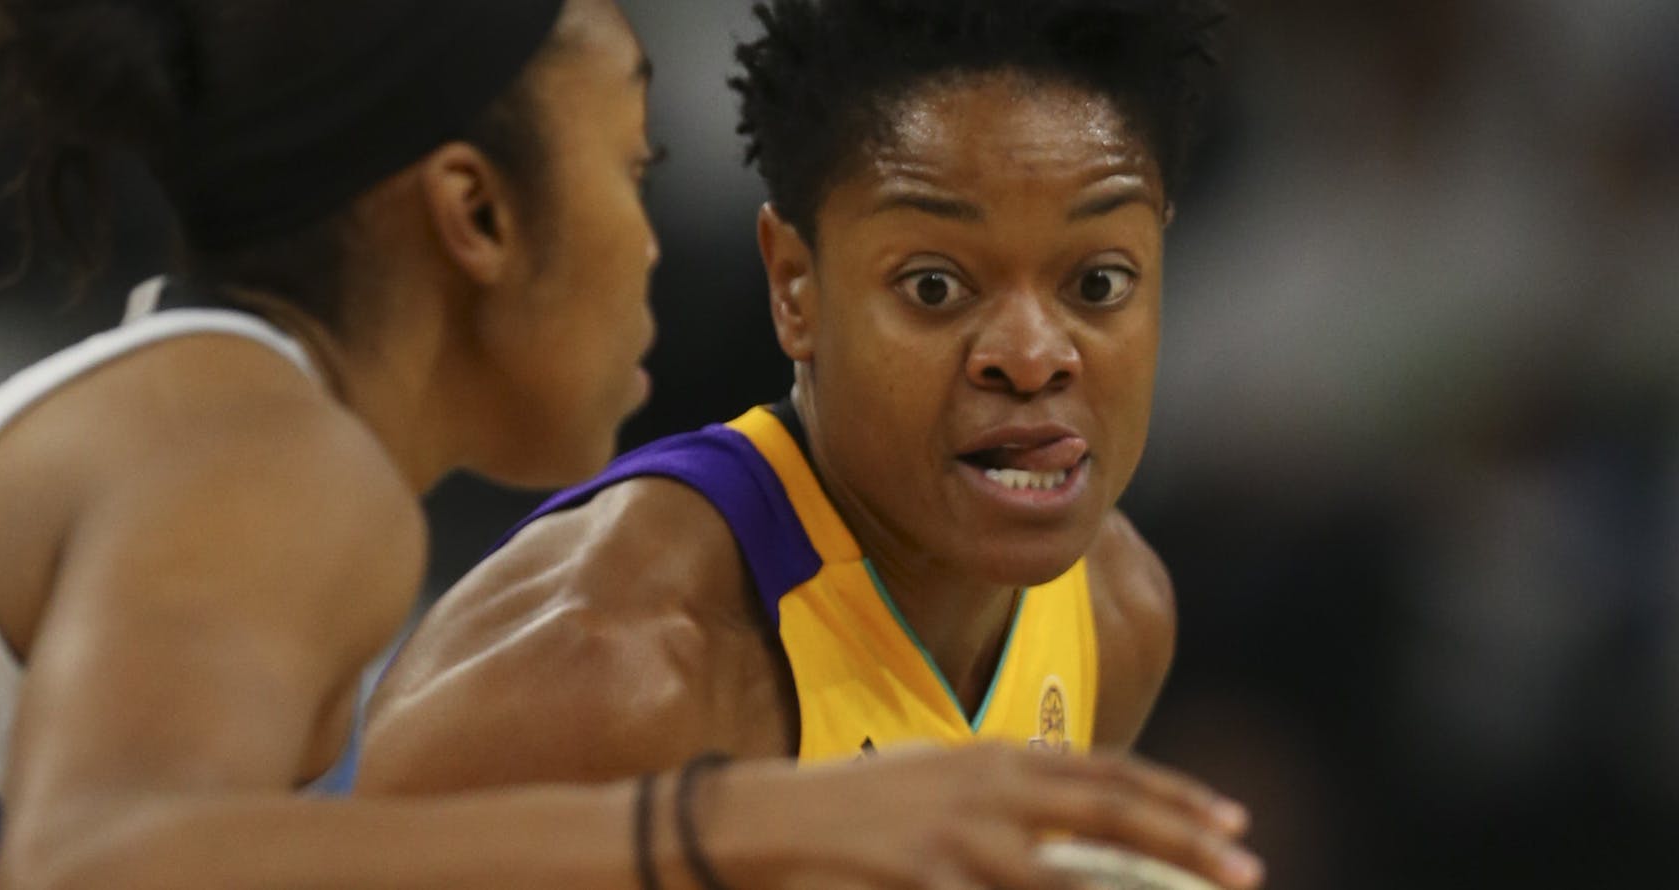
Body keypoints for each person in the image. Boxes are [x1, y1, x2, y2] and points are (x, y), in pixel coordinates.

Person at [0, 0, 1258, 887]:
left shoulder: (183, 436)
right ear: (475, 214)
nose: (646, 248)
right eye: (630, 169)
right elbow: (100, 868)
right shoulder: (271, 467)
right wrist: (754, 823)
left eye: (1101, 277)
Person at [362, 0, 1260, 885]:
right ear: (795, 286)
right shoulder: (602, 675)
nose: (1031, 358)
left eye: (1099, 281)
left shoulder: (1119, 613)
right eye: (935, 287)